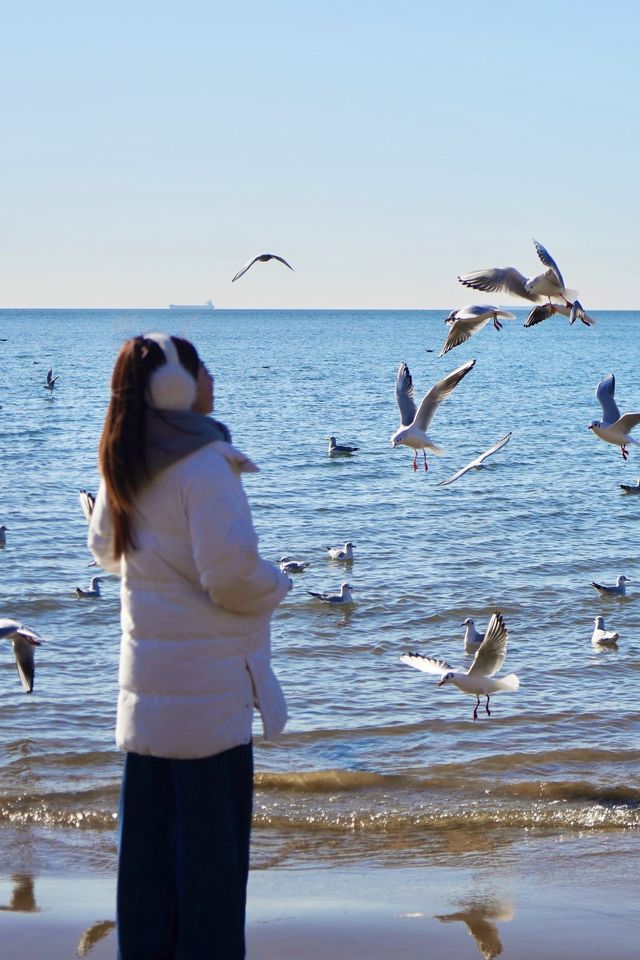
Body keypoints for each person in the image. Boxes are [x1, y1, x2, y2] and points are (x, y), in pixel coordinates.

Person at [88, 333, 291, 959]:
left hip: (146, 716)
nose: (211, 377)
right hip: (207, 714)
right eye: (202, 367)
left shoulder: (123, 461)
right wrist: (278, 584)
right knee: (211, 886)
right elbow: (230, 576)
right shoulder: (204, 465)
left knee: (146, 883)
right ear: (177, 385)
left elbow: (104, 552)